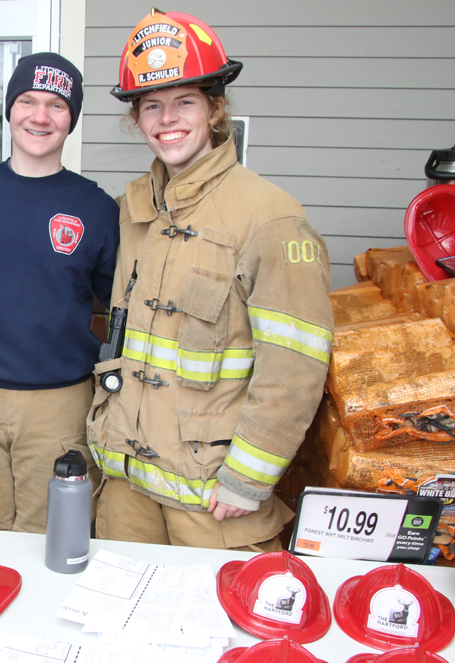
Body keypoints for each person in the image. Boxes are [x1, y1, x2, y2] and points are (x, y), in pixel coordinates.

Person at [87, 9, 334, 550]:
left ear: (216, 107)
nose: (166, 119)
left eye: (185, 101)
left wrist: (249, 478)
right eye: (151, 105)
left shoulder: (270, 217)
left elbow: (294, 367)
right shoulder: (135, 209)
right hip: (127, 484)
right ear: (136, 118)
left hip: (213, 498)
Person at [0, 53, 119, 533]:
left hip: (58, 402)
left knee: (53, 536)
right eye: (27, 101)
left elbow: (120, 307)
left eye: (56, 105)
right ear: (10, 109)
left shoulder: (97, 208)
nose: (39, 116)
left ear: (72, 119)